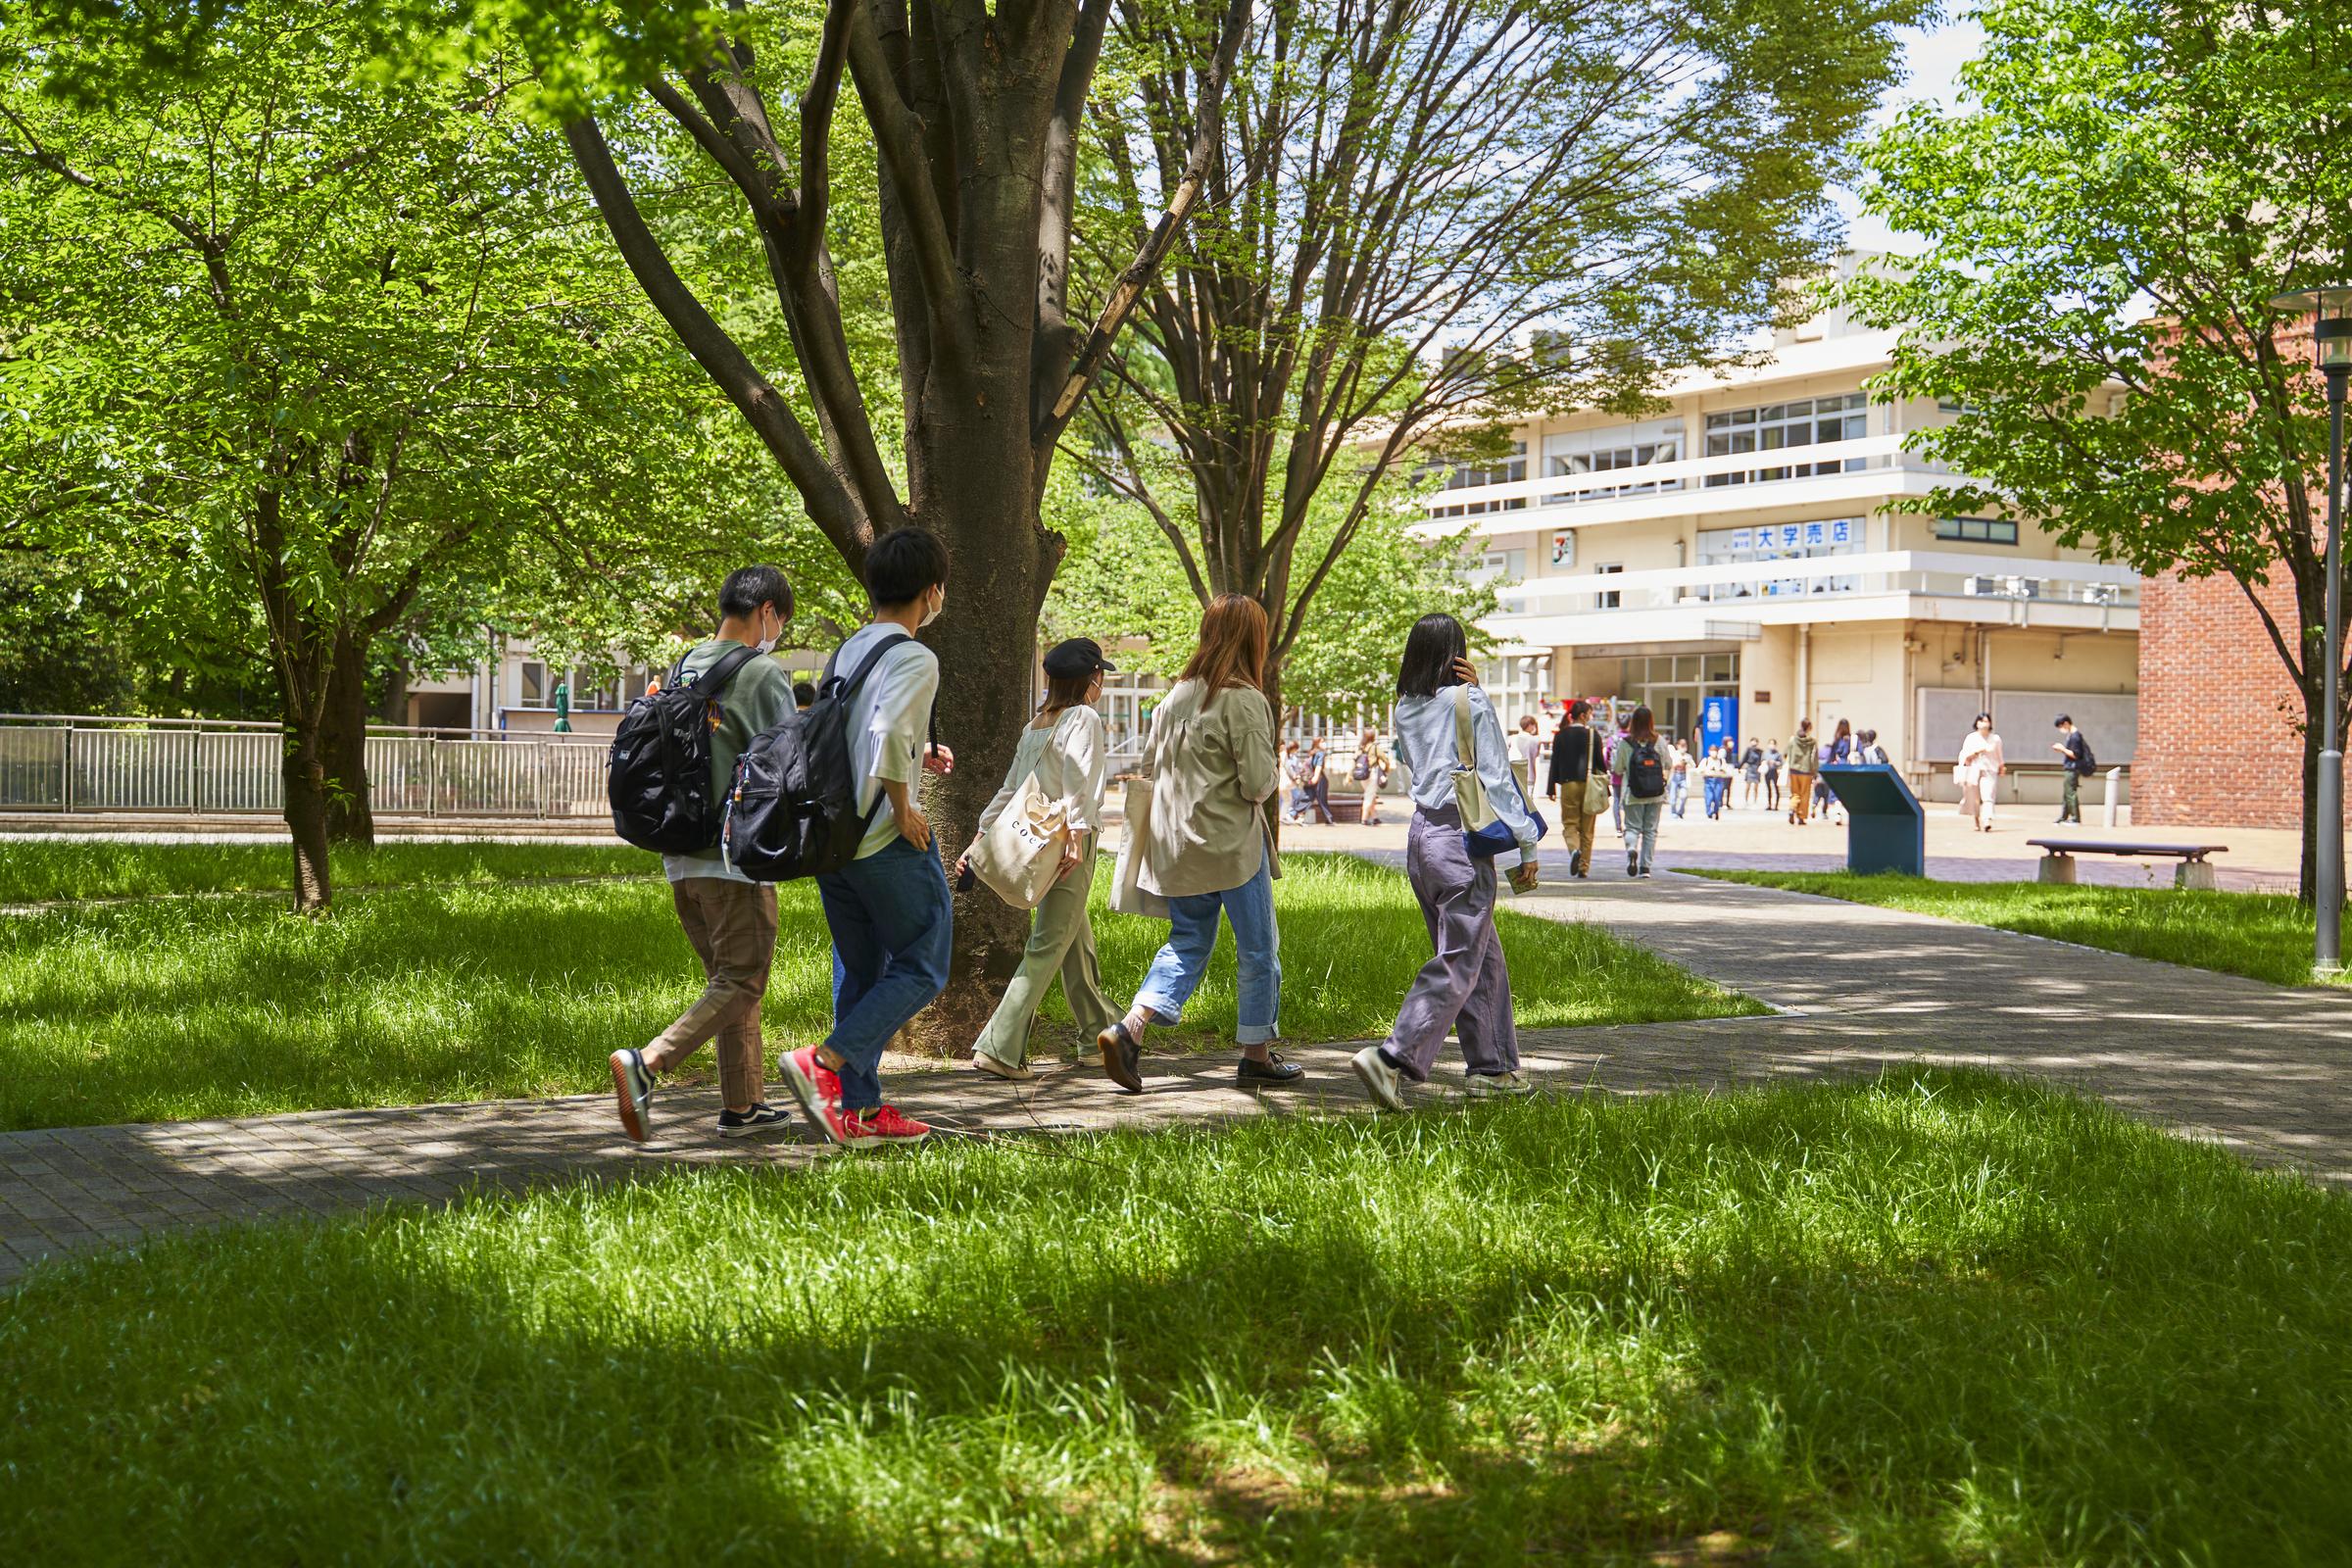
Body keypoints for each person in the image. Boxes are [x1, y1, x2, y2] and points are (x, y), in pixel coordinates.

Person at [777, 527, 958, 1149]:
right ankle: (825, 1062)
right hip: (882, 835)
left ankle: (858, 1109)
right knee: (925, 963)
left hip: (833, 838)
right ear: (931, 591)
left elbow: (850, 733)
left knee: (861, 968)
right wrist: (905, 805)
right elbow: (886, 734)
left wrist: (919, 755)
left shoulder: (851, 648)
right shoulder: (914, 655)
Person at [609, 564, 799, 1144]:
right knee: (742, 979)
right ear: (766, 612)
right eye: (782, 624)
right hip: (732, 857)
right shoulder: (765, 673)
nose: (778, 636)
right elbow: (795, 762)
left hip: (680, 855)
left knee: (729, 982)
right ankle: (647, 1063)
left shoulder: (685, 664)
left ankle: (742, 1108)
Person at [1098, 594, 1297, 1093]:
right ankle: (1255, 1055)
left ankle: (1130, 1028)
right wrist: (1274, 774)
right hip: (1232, 847)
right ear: (1253, 639)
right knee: (1258, 949)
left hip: (1177, 845)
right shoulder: (1245, 699)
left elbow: (1149, 766)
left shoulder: (1172, 698)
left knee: (1187, 942)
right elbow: (1256, 784)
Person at [1348, 615, 1538, 1112]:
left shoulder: (1404, 707)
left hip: (1422, 838)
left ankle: (1492, 1069)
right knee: (1458, 958)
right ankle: (1393, 1056)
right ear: (1456, 653)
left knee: (1482, 956)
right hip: (1461, 838)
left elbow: (1424, 765)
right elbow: (1495, 777)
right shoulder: (1470, 701)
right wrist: (1528, 847)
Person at [957, 639, 1118, 1082]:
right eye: (1100, 674)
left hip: (1038, 844)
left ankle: (1098, 1036)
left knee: (1072, 940)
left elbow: (1011, 789)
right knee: (1049, 943)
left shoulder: (1035, 727)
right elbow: (1081, 782)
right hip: (1068, 845)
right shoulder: (1083, 717)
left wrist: (980, 838)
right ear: (1090, 679)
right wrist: (1077, 837)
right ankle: (999, 1047)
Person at [1544, 698, 1602, 878]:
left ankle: (1574, 850)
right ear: (1583, 716)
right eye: (1589, 714)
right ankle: (1584, 867)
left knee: (1569, 824)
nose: (1590, 718)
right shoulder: (1593, 735)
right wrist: (1605, 788)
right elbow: (1601, 762)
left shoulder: (1561, 735)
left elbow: (1555, 762)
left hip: (1568, 784)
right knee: (1588, 828)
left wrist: (1551, 787)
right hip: (1589, 784)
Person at [1612, 705, 1669, 877]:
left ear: (1633, 722)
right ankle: (1645, 868)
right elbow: (1668, 764)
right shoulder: (1659, 741)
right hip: (1656, 793)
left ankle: (1631, 848)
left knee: (1632, 827)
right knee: (1651, 830)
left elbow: (1618, 769)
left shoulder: (1626, 743)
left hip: (1633, 793)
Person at [1957, 710, 2004, 832]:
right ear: (1976, 723)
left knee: (1988, 796)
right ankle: (1976, 821)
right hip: (1974, 770)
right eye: (1981, 721)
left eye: (1986, 721)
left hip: (1989, 770)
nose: (1984, 723)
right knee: (1975, 798)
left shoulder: (1995, 739)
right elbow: (1964, 755)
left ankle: (1987, 820)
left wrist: (2001, 767)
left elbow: (1999, 755)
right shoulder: (1971, 738)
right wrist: (1977, 752)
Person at [2051, 714, 2091, 823]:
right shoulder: (2072, 735)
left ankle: (2075, 818)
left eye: (2061, 726)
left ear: (2066, 723)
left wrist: (2062, 749)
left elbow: (2075, 754)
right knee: (2067, 793)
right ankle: (2064, 816)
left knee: (2070, 793)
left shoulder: (2075, 736)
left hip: (2073, 768)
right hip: (2070, 768)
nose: (2061, 729)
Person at [1818, 717, 1853, 825]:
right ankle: (1842, 813)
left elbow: (1831, 756)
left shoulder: (1837, 740)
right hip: (1848, 766)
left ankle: (1838, 814)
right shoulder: (1852, 739)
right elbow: (1860, 752)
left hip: (1837, 767)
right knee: (1847, 791)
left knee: (1836, 791)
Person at [1353, 727, 1392, 826]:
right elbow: (1385, 759)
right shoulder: (1375, 747)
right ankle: (1364, 819)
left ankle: (1375, 818)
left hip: (1362, 775)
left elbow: (1354, 759)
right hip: (1372, 774)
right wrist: (1386, 769)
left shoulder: (1361, 747)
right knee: (1369, 796)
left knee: (1371, 795)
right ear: (1373, 736)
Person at [1786, 719, 1820, 825]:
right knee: (1805, 794)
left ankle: (1792, 809)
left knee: (1795, 793)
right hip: (1806, 771)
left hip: (1793, 770)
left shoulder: (1793, 739)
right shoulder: (1812, 741)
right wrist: (1815, 771)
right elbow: (1814, 758)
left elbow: (1786, 753)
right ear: (1809, 727)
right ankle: (1801, 817)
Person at [1304, 733, 1339, 824]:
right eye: (1322, 742)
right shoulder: (1320, 753)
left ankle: (1329, 818)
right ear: (1317, 743)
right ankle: (1329, 818)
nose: (1325, 743)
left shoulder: (1313, 753)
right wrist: (1316, 777)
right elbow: (1318, 766)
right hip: (1319, 778)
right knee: (1321, 798)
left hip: (1315, 777)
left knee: (1313, 797)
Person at [1508, 714, 1544, 800]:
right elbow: (1536, 754)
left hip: (1513, 774)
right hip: (1529, 775)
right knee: (1528, 804)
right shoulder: (1535, 740)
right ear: (1530, 725)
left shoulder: (1511, 738)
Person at [1699, 743, 1735, 819]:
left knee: (1717, 797)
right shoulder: (1706, 760)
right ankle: (1709, 812)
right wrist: (1706, 771)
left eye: (1715, 750)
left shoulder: (1721, 761)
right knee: (1709, 797)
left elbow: (1726, 770)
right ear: (1709, 751)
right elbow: (1700, 770)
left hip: (1718, 780)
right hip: (1708, 780)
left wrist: (1722, 771)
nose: (1714, 752)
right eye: (1712, 750)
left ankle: (1716, 812)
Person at [1666, 734, 1692, 819]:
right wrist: (1676, 764)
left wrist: (1687, 763)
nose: (1683, 747)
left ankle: (1681, 812)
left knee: (1684, 796)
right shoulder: (1674, 755)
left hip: (1683, 777)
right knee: (1673, 797)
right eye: (1681, 746)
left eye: (1685, 746)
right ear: (1677, 746)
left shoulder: (1688, 756)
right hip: (1674, 776)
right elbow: (1669, 765)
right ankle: (1673, 812)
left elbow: (1694, 765)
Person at [1740, 738, 1763, 808]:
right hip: (1750, 768)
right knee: (1748, 786)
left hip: (1757, 769)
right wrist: (1739, 767)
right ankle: (1746, 801)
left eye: (1755, 742)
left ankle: (1755, 801)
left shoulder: (1760, 751)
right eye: (1753, 742)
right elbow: (1744, 759)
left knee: (1756, 787)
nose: (1754, 743)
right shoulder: (1748, 750)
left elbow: (1762, 760)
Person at [1763, 739, 1783, 812]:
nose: (1772, 745)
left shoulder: (1778, 754)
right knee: (1769, 789)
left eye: (1773, 744)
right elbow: (1762, 761)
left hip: (1774, 772)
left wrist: (1774, 762)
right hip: (1767, 772)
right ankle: (1769, 805)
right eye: (1770, 744)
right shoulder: (1765, 753)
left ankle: (1776, 805)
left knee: (1776, 789)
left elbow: (1781, 763)